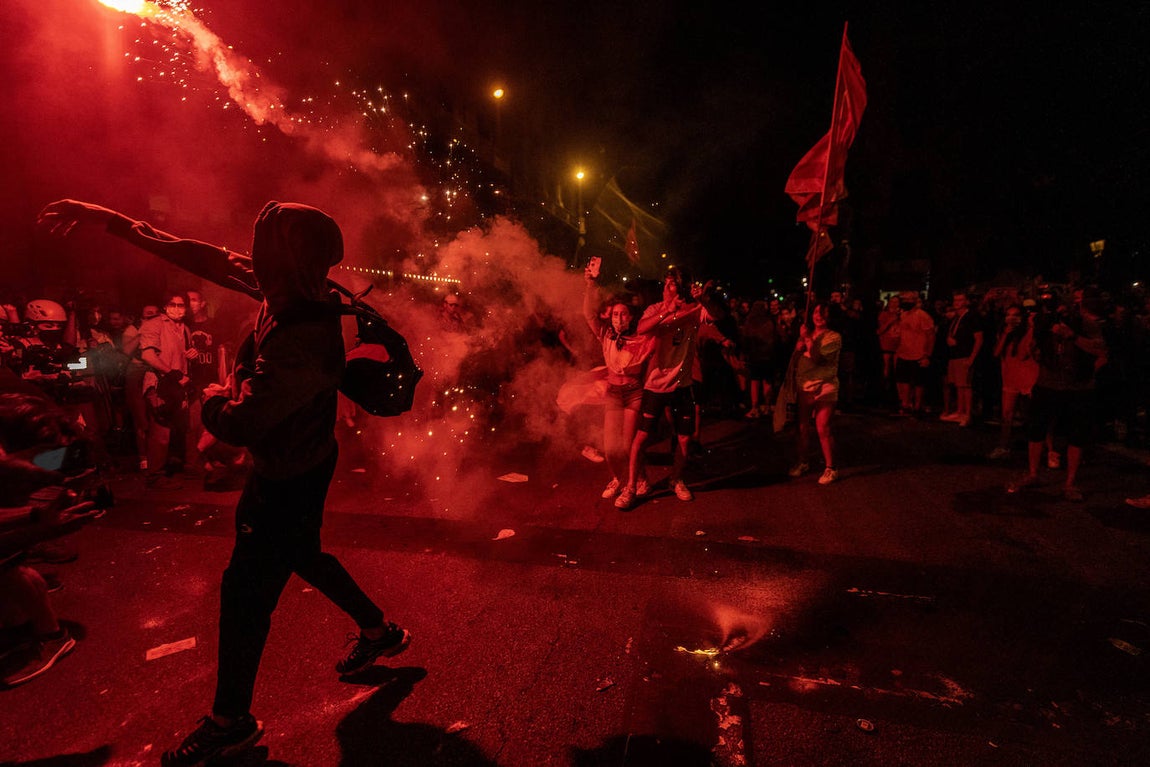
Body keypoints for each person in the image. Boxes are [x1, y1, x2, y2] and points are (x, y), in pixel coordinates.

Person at [39, 199, 409, 766]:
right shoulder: (286, 288)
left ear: (281, 257)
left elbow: (241, 423)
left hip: (288, 474)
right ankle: (378, 630)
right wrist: (103, 216)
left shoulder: (301, 332)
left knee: (244, 595)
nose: (247, 258)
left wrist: (212, 397)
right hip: (296, 465)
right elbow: (191, 251)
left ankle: (229, 721)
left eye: (261, 247)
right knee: (303, 554)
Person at [617, 268, 721, 510]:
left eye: (672, 285)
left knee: (684, 438)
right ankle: (632, 486)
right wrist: (667, 310)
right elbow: (642, 328)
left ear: (683, 288)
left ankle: (676, 479)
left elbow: (715, 315)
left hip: (682, 385)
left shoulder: (695, 310)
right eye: (665, 284)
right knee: (641, 437)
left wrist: (704, 299)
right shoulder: (656, 308)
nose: (666, 288)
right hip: (655, 385)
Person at [1007, 288, 1108, 501]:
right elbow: (1031, 350)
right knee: (1036, 430)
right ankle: (1033, 474)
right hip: (1048, 385)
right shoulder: (1044, 324)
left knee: (1076, 435)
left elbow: (1100, 350)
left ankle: (1070, 484)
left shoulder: (1086, 325)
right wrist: (1033, 332)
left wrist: (1073, 336)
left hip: (1078, 388)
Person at [581, 267, 653, 499]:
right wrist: (590, 286)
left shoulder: (641, 337)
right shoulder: (606, 335)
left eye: (623, 315)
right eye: (615, 315)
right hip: (613, 392)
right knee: (610, 447)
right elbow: (589, 314)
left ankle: (639, 478)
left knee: (628, 444)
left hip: (633, 393)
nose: (619, 319)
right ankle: (616, 478)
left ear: (631, 317)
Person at [788, 303, 842, 484]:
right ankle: (803, 461)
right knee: (802, 427)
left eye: (823, 313)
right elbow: (796, 358)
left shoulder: (834, 337)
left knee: (822, 427)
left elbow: (818, 359)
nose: (819, 316)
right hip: (805, 385)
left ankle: (831, 468)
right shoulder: (807, 333)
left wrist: (808, 340)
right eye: (817, 312)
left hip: (825, 385)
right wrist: (798, 348)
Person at [988, 304, 1038, 460]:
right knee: (1007, 414)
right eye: (1008, 314)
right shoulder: (1003, 332)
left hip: (1028, 378)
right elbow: (996, 353)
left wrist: (1030, 326)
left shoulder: (1028, 332)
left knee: (1030, 415)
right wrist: (1005, 335)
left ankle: (1040, 448)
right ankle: (1003, 446)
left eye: (1015, 315)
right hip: (1010, 378)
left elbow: (1024, 354)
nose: (1011, 318)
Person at [940, 290, 983, 426]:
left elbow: (979, 339)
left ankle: (967, 414)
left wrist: (972, 358)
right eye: (955, 300)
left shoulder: (972, 317)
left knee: (966, 385)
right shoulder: (957, 318)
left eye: (960, 300)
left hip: (965, 355)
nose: (957, 303)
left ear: (966, 302)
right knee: (959, 385)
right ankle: (960, 410)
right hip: (955, 355)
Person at [893, 292, 935, 416]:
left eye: (907, 299)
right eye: (903, 299)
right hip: (903, 352)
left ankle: (917, 407)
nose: (904, 301)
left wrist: (927, 355)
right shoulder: (903, 315)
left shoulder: (923, 316)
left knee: (918, 383)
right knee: (903, 380)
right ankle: (906, 405)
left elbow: (931, 336)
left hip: (919, 353)